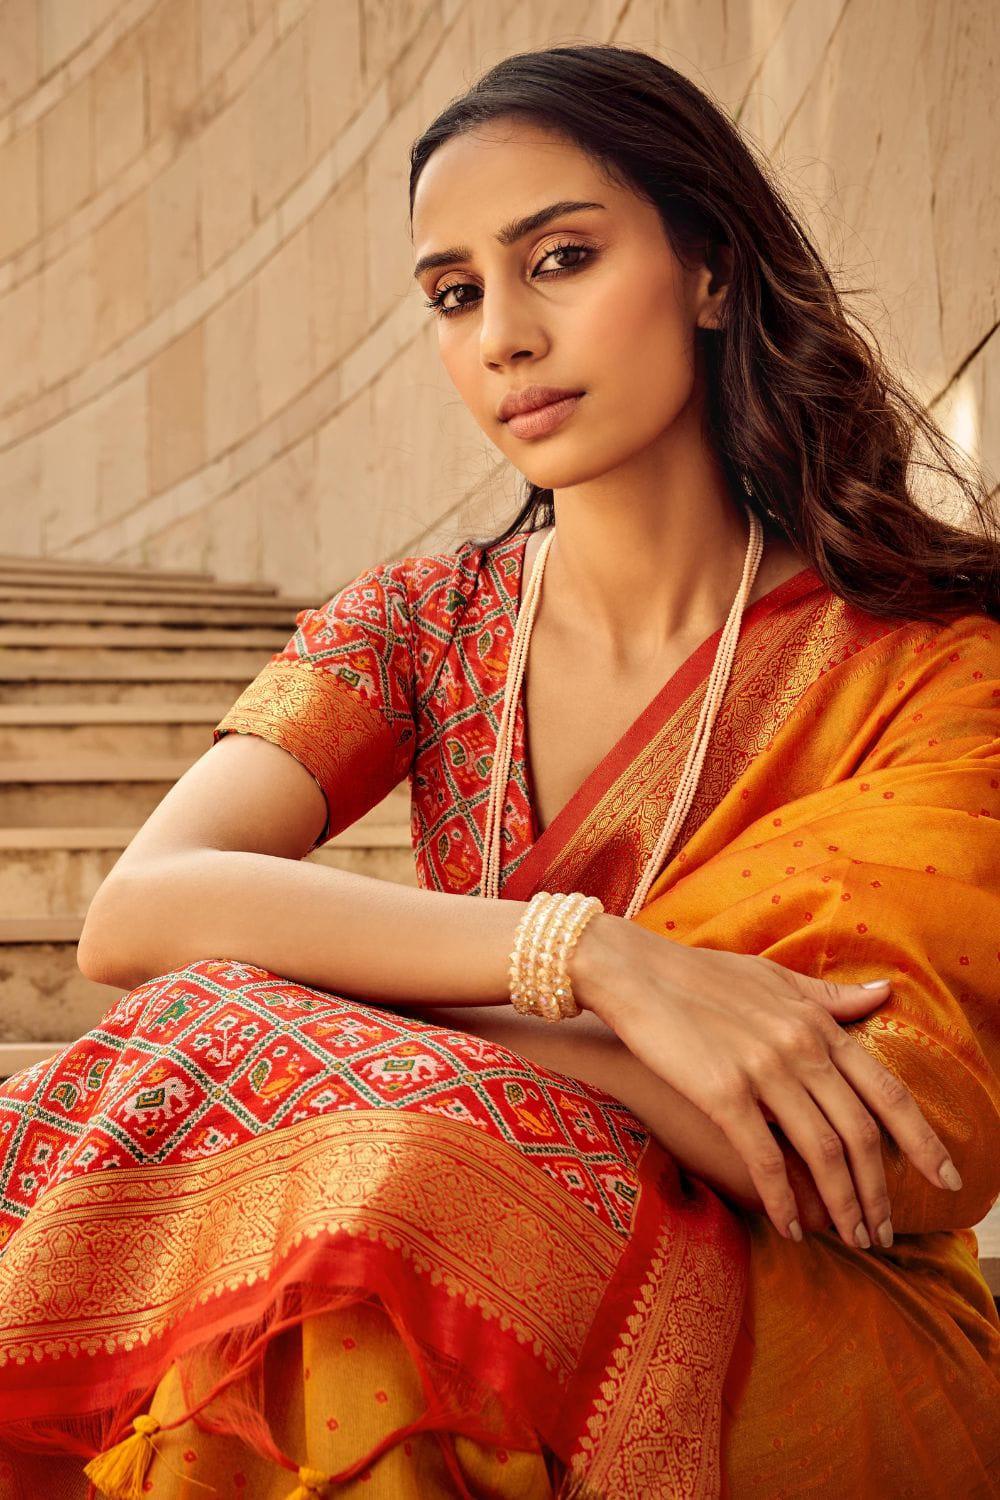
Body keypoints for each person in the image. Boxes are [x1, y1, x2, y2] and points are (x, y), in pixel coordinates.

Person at [1, 41, 998, 1500]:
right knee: (349, 1161)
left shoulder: (928, 661)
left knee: (355, 1157)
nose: (503, 338)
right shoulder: (421, 626)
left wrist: (377, 1021)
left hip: (813, 1321)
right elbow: (140, 912)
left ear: (712, 270)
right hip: (444, 1213)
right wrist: (600, 966)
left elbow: (890, 1143)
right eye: (456, 295)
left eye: (563, 259)